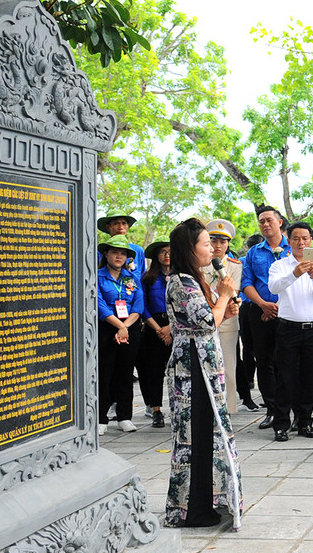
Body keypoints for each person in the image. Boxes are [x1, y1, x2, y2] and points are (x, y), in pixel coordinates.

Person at [163, 217, 242, 530]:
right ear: (189, 249)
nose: (213, 249)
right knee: (193, 436)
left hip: (205, 363)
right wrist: (223, 297)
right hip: (191, 367)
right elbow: (207, 322)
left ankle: (208, 502)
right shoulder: (181, 282)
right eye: (207, 244)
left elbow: (214, 316)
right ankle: (189, 509)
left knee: (207, 434)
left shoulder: (197, 280)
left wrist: (226, 306)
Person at [266, 221, 313, 441]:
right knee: (285, 378)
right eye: (296, 238)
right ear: (289, 240)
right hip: (288, 328)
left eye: (305, 238)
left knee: (308, 378)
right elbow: (273, 288)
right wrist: (295, 273)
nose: (300, 242)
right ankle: (281, 424)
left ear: (312, 242)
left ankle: (305, 422)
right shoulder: (280, 265)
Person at [241, 206, 292, 430]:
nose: (265, 224)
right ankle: (271, 409)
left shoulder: (294, 248)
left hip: (288, 311)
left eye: (269, 220)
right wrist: (263, 304)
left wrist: (280, 305)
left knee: (288, 362)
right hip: (259, 312)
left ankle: (288, 409)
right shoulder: (254, 252)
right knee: (264, 361)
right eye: (261, 221)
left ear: (280, 222)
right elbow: (246, 283)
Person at [97, 235, 145, 435]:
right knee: (104, 372)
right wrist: (119, 326)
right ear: (106, 254)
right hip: (106, 327)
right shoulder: (97, 276)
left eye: (123, 253)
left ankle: (124, 416)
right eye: (115, 252)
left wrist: (125, 326)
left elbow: (138, 304)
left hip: (129, 327)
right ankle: (101, 418)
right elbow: (98, 304)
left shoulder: (131, 278)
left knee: (125, 372)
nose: (119, 256)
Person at [201, 219, 243, 416]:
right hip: (203, 319)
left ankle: (229, 408)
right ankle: (208, 406)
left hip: (227, 319)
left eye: (222, 242)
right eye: (214, 241)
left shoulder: (234, 265)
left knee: (228, 365)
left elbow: (234, 291)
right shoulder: (200, 264)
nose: (218, 246)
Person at [137, 240, 172, 428]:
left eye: (170, 252)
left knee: (177, 370)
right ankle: (156, 410)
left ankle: (178, 408)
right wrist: (158, 329)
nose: (167, 255)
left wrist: (170, 328)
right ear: (156, 256)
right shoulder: (148, 277)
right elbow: (143, 307)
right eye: (162, 252)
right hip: (153, 326)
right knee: (154, 371)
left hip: (175, 326)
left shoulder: (180, 276)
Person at [237, 232, 263, 411]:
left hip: (253, 307)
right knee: (251, 348)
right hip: (248, 307)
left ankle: (249, 379)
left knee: (250, 348)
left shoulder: (242, 259)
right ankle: (248, 381)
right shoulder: (243, 260)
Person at [97, 213, 146, 279]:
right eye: (116, 223)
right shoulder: (100, 252)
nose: (120, 227)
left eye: (124, 223)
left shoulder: (138, 250)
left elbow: (142, 275)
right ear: (108, 227)